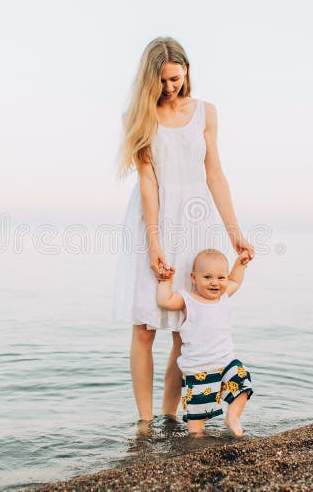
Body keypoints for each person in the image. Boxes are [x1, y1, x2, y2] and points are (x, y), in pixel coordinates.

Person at [111, 36, 255, 424]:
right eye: (161, 81)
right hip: (151, 220)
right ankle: (145, 424)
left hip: (194, 220)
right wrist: (154, 240)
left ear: (187, 70)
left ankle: (169, 418)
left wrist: (234, 232)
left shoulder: (206, 112)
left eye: (175, 78)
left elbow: (215, 175)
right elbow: (147, 183)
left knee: (183, 329)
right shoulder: (139, 116)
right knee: (144, 328)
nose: (170, 87)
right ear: (149, 80)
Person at [155, 248, 253, 437]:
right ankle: (196, 445)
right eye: (207, 277)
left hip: (226, 363)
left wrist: (240, 264)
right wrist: (164, 281)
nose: (215, 282)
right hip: (199, 370)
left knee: (243, 384)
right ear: (193, 278)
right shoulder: (188, 299)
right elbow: (165, 301)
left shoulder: (223, 297)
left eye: (220, 277)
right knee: (196, 424)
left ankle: (232, 416)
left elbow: (235, 280)